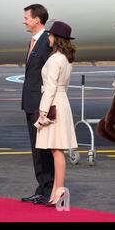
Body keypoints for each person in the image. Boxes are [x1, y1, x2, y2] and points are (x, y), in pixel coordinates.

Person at [34, 21, 78, 206]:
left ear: (56, 38)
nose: (48, 38)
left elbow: (50, 89)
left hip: (53, 104)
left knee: (56, 151)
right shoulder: (66, 59)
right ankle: (56, 191)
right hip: (63, 102)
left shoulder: (54, 59)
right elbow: (62, 87)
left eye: (51, 35)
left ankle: (59, 191)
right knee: (57, 149)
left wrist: (43, 112)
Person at [21, 4, 55, 205]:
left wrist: (45, 105)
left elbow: (49, 74)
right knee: (36, 148)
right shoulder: (34, 40)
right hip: (30, 102)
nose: (24, 20)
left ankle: (48, 188)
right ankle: (41, 187)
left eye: (26, 17)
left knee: (43, 148)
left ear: (36, 20)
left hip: (40, 103)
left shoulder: (46, 41)